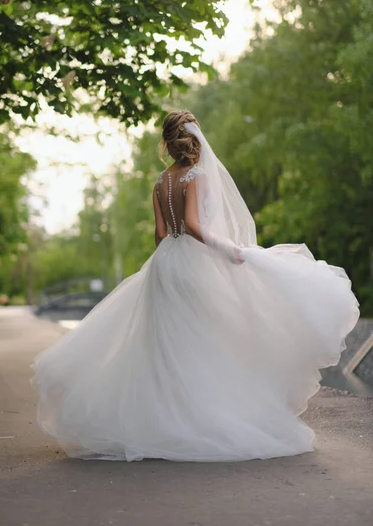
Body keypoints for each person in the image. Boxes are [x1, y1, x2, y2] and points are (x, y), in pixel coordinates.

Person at [32, 109, 359, 462]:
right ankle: (201, 415)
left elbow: (161, 234)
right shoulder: (197, 176)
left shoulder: (159, 182)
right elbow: (191, 224)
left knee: (166, 343)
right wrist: (227, 248)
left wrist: (168, 260)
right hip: (191, 262)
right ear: (192, 139)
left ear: (167, 143)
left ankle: (161, 418)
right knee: (206, 338)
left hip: (164, 264)